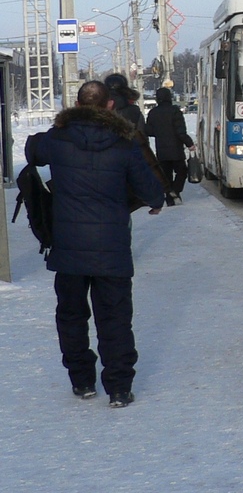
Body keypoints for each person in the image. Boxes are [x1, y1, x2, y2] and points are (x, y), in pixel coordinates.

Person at [25, 80, 166, 408]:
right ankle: (118, 388)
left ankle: (82, 381)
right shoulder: (124, 143)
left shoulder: (57, 139)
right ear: (110, 106)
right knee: (115, 317)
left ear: (75, 103)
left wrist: (58, 128)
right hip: (112, 248)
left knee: (71, 315)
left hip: (68, 249)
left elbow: (32, 150)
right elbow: (150, 188)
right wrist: (156, 200)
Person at [145, 87, 195, 203]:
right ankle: (175, 191)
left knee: (166, 175)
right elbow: (180, 132)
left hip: (161, 150)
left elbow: (149, 131)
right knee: (181, 171)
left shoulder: (153, 113)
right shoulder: (175, 111)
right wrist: (189, 143)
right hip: (176, 150)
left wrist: (159, 132)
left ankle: (170, 198)